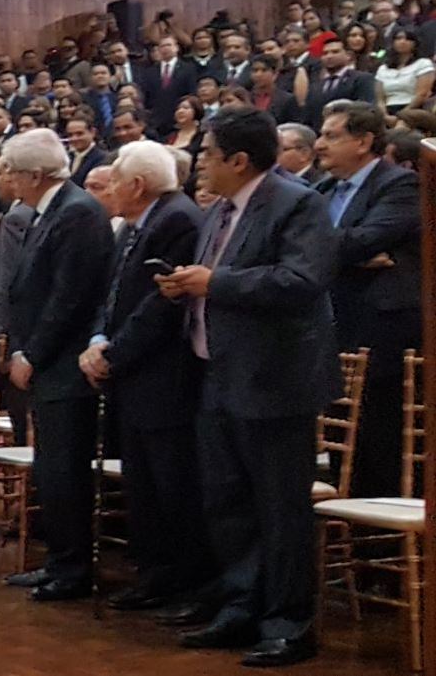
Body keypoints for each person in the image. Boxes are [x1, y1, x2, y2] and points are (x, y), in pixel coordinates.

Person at [156, 107, 338, 667]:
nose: (200, 164)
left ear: (238, 159)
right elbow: (217, 277)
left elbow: (303, 280)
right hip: (218, 374)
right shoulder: (219, 211)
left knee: (280, 510)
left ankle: (288, 622)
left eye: (207, 153)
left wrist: (216, 283)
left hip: (275, 382)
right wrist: (185, 286)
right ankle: (241, 607)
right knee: (228, 504)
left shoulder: (297, 202)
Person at [78, 141, 209, 611]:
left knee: (173, 487)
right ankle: (154, 575)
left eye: (113, 179)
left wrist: (114, 353)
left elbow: (161, 307)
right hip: (133, 377)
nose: (107, 188)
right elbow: (112, 295)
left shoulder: (178, 219)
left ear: (137, 184)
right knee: (145, 486)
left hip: (164, 378)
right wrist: (97, 340)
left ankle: (184, 580)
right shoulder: (133, 224)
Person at [3, 129, 114, 600]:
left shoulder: (76, 213)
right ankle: (57, 561)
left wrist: (33, 353)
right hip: (51, 362)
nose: (4, 178)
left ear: (33, 174)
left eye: (9, 170)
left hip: (65, 365)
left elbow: (68, 297)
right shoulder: (50, 211)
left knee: (66, 471)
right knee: (51, 468)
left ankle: (72, 570)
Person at [313, 102, 422, 498]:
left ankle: (381, 547)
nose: (320, 144)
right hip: (333, 332)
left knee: (380, 448)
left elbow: (363, 240)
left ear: (363, 141)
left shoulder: (399, 185)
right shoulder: (321, 190)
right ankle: (352, 545)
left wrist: (335, 251)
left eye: (331, 135)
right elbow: (300, 245)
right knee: (346, 457)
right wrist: (346, 255)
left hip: (382, 339)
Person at [298, 37, 376, 131]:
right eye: (325, 53)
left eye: (335, 52)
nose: (329, 56)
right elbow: (307, 118)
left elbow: (365, 109)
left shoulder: (361, 79)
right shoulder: (315, 87)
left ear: (348, 55)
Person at [374, 28, 434, 123]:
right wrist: (385, 115)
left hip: (413, 110)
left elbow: (422, 94)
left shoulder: (423, 64)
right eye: (398, 38)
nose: (402, 42)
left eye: (408, 39)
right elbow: (380, 98)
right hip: (388, 110)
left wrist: (401, 115)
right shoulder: (383, 68)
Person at [143, 36, 198, 136]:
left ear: (176, 48)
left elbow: (192, 94)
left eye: (169, 45)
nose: (165, 48)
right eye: (162, 46)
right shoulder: (149, 72)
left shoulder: (188, 69)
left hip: (179, 119)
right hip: (156, 122)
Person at [248, 54, 300, 124]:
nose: (258, 74)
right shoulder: (246, 97)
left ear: (275, 74)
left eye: (264, 70)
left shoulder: (287, 99)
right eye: (255, 70)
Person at [66, 116, 106, 187]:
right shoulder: (66, 157)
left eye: (79, 134)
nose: (74, 138)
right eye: (70, 135)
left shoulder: (103, 158)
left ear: (93, 132)